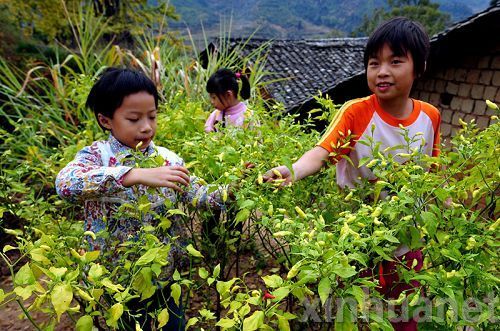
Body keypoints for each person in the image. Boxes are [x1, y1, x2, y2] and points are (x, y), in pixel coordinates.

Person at [264, 17, 440, 330]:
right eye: (374, 63)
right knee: (352, 315)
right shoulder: (356, 112)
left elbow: (433, 172)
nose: (382, 71)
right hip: (358, 242)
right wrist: (291, 170)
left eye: (395, 61)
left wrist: (451, 216)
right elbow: (320, 153)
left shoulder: (430, 116)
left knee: (406, 316)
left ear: (419, 67)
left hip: (408, 239)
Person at [56, 67, 225, 330]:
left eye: (152, 117)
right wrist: (133, 174)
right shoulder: (95, 157)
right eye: (134, 119)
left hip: (165, 276)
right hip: (117, 279)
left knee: (172, 324)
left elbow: (200, 196)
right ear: (106, 120)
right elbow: (66, 184)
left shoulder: (168, 159)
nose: (146, 127)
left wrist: (237, 186)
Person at [205, 68, 252, 132]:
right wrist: (209, 128)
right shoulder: (217, 113)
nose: (212, 102)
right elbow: (207, 127)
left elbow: (258, 139)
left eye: (214, 97)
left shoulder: (248, 116)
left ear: (228, 95)